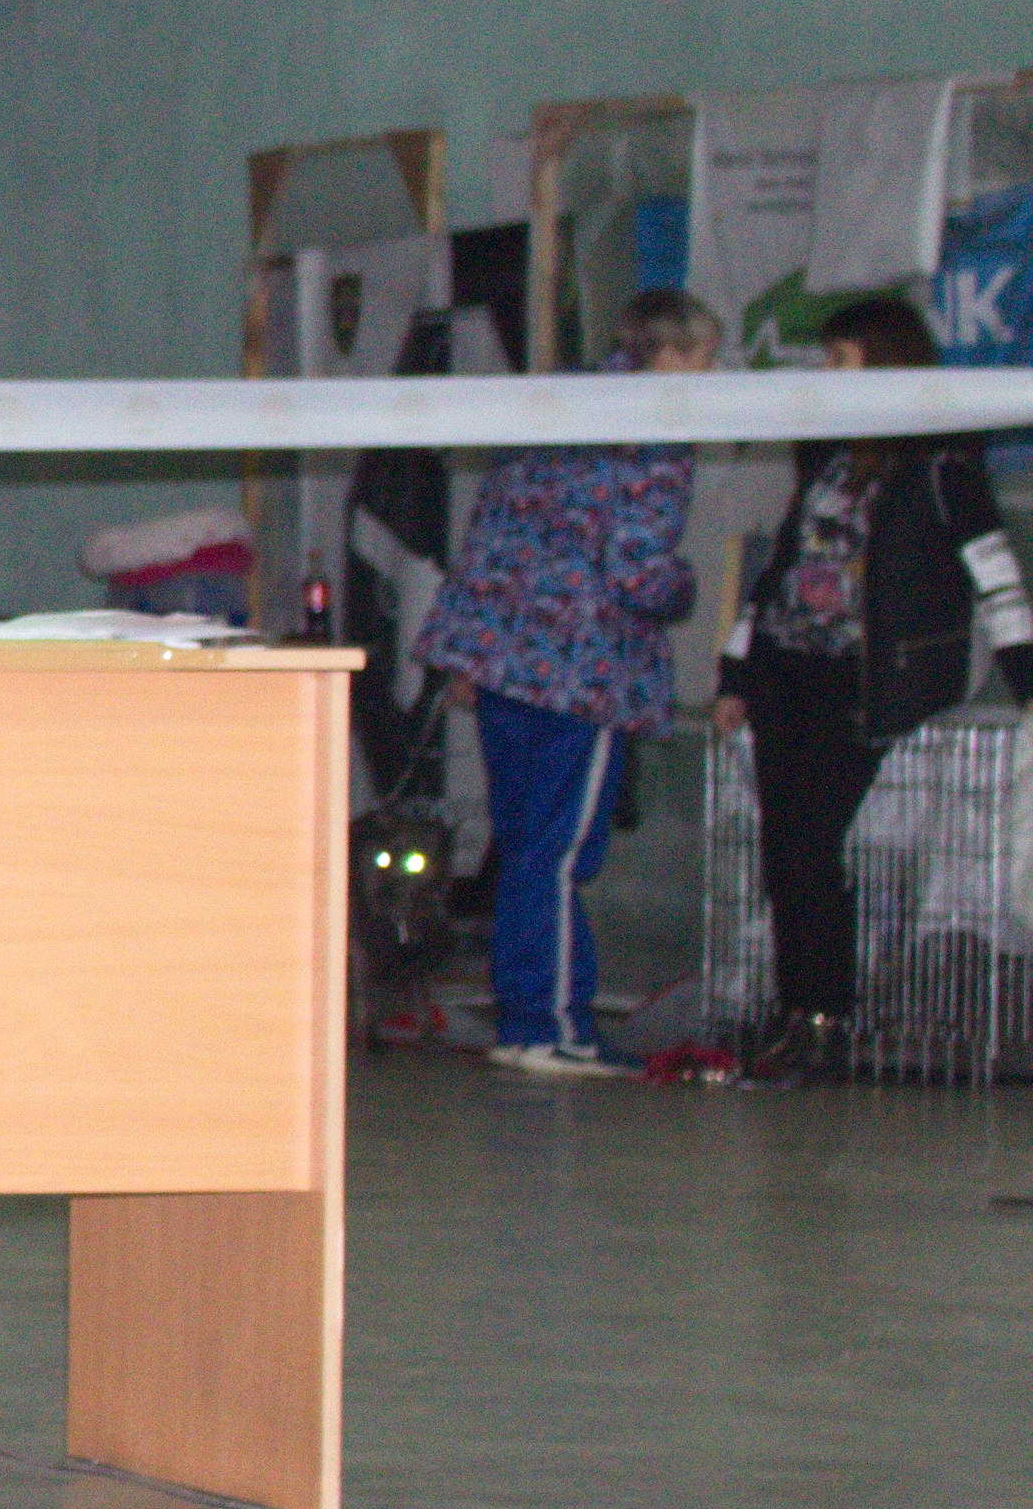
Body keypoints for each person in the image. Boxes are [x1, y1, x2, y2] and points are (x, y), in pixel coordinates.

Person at [714, 293, 1033, 1086]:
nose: (826, 372)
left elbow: (993, 570)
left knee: (809, 843)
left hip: (861, 682)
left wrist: (1026, 674)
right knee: (784, 848)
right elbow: (780, 566)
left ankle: (824, 1014)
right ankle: (802, 1012)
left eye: (840, 358)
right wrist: (735, 672)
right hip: (787, 668)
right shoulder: (824, 454)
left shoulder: (940, 464)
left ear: (882, 362)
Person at [414, 286, 717, 1079]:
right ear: (672, 354)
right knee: (556, 856)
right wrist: (686, 587)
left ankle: (526, 1020)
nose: (709, 376)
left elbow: (488, 532)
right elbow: (638, 572)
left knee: (522, 849)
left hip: (501, 660)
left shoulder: (550, 406)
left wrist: (465, 653)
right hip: (583, 671)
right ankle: (551, 1027)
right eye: (704, 357)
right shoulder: (655, 434)